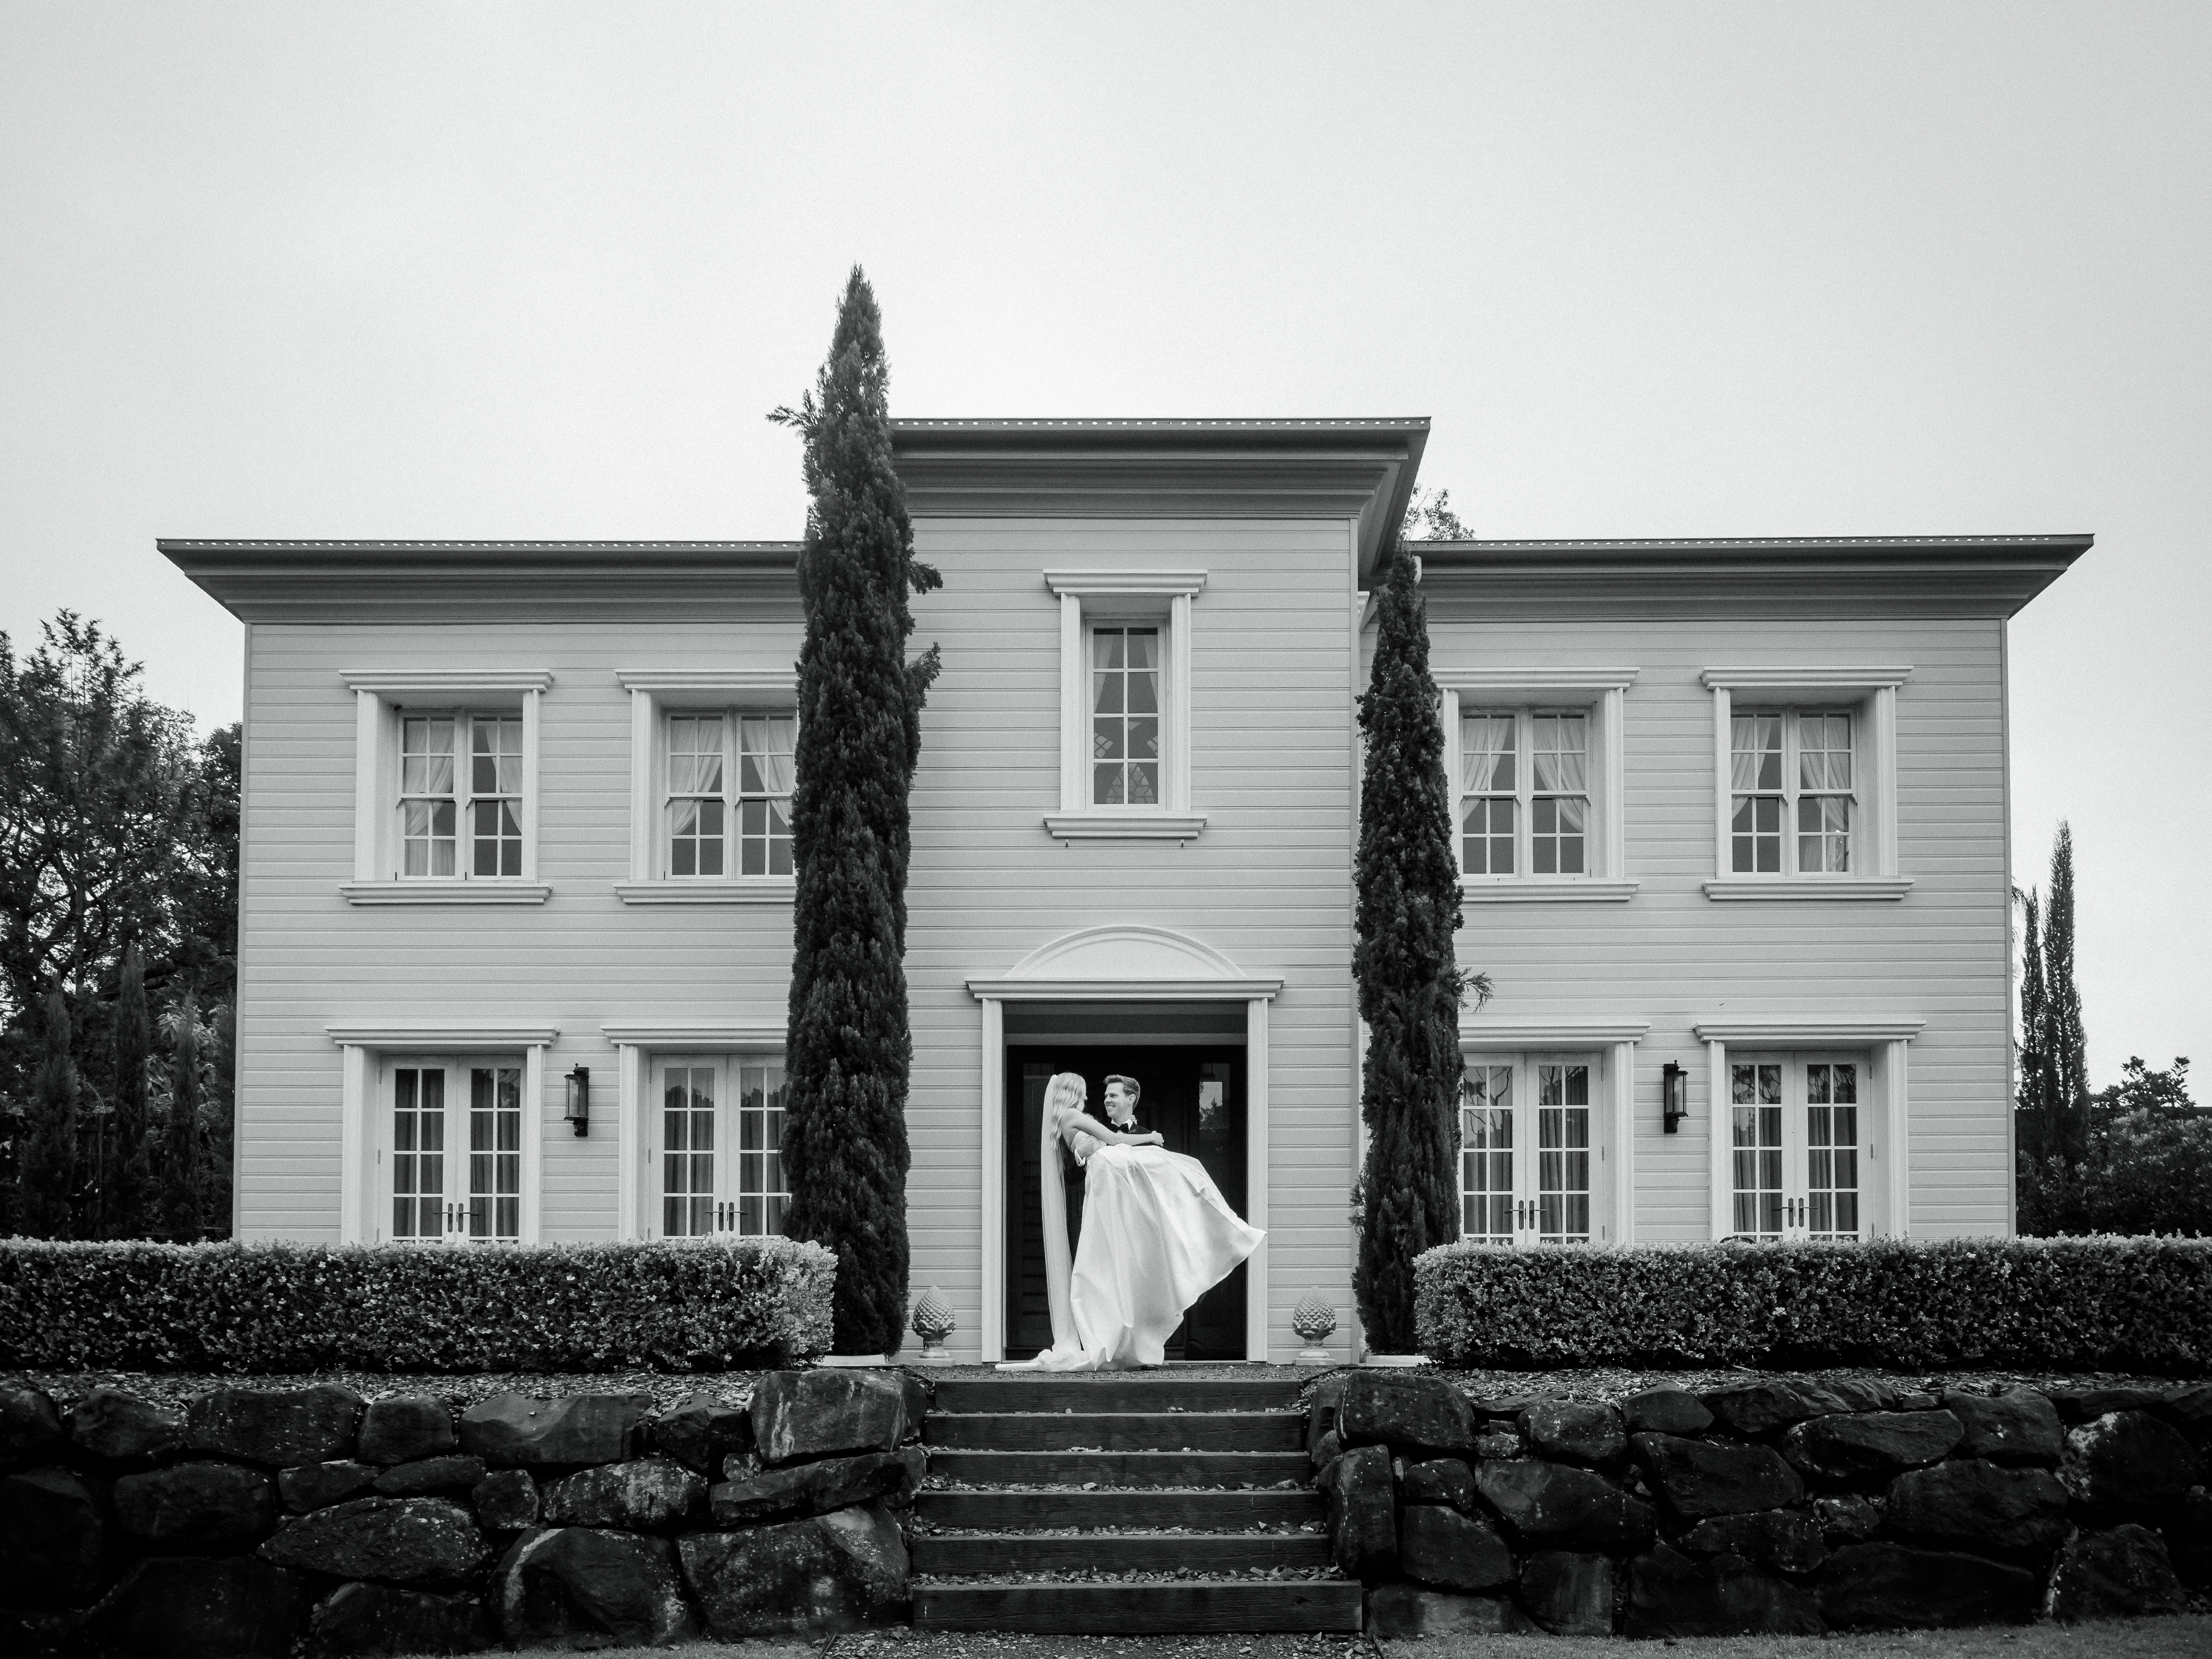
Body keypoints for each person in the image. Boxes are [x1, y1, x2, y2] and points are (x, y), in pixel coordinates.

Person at [999, 1071, 1264, 1371]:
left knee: (1180, 1173)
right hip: (1104, 1198)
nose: (1101, 1099)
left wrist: (1144, 1142)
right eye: (1101, 1095)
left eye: (1112, 1095)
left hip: (1130, 1208)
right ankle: (1112, 1342)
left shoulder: (1105, 1126)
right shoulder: (1081, 1120)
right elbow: (1089, 1160)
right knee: (1106, 1276)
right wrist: (1087, 1156)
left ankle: (1207, 1225)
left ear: (1131, 1099)